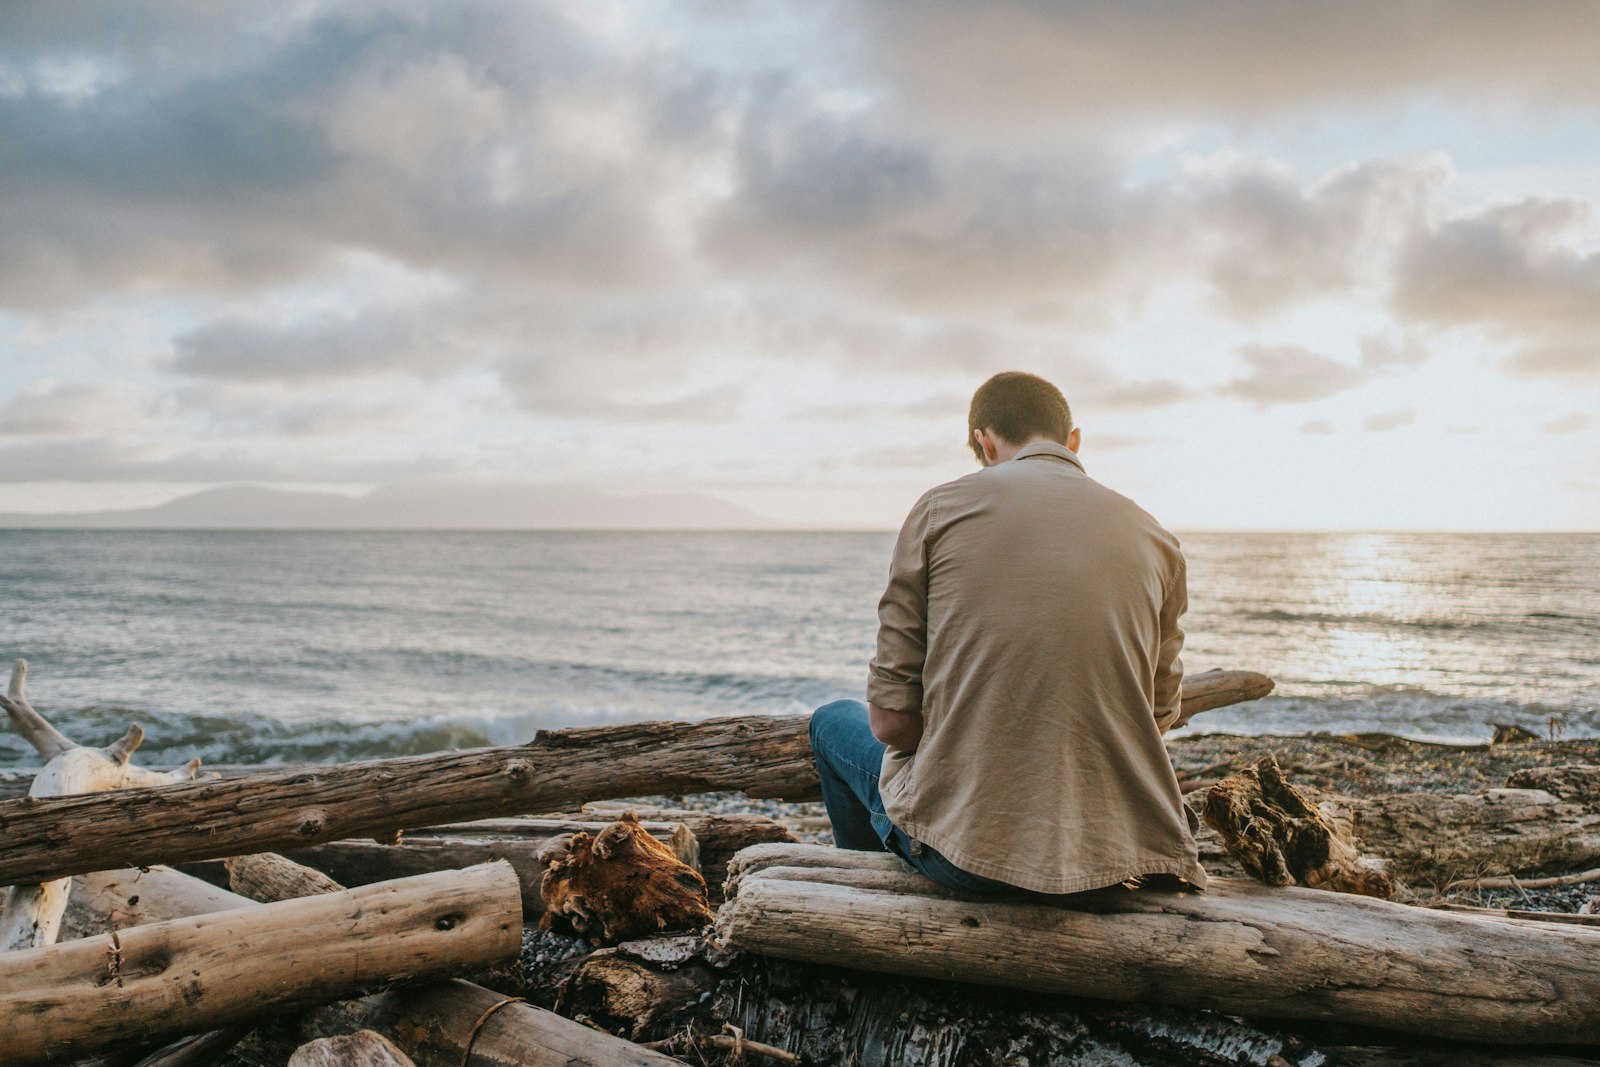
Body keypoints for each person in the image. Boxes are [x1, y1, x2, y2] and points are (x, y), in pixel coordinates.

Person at [809, 371, 1205, 895]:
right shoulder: (1156, 538)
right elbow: (1156, 717)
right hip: (1122, 857)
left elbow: (890, 724)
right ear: (1073, 441)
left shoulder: (939, 510)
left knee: (833, 721)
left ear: (984, 441)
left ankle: (865, 905)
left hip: (969, 857)